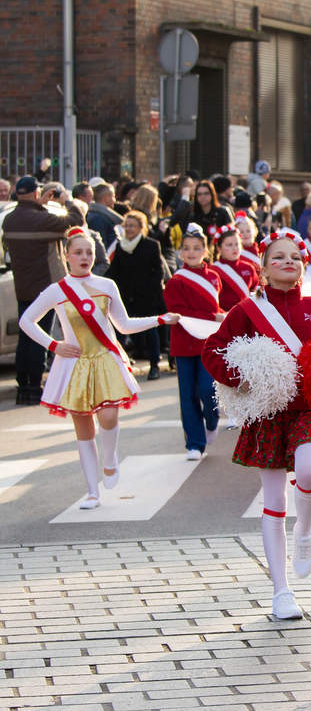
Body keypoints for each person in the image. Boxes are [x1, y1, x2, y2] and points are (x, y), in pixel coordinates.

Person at [202, 232, 311, 620]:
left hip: (305, 411)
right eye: (279, 257)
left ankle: (305, 530)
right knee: (273, 500)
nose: (289, 261)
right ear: (263, 269)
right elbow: (212, 351)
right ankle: (281, 590)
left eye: (296, 256)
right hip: (266, 413)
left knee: (308, 470)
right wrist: (240, 377)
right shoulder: (246, 312)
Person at [18, 228, 179, 507]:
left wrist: (161, 319)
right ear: (67, 256)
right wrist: (54, 345)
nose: (84, 257)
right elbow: (27, 321)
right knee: (83, 428)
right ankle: (92, 492)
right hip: (74, 365)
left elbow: (124, 325)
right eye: (78, 252)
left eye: (89, 252)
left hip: (105, 359)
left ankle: (110, 457)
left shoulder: (107, 285)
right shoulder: (57, 290)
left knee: (108, 417)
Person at [3, 176, 87, 405]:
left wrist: (38, 203)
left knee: (25, 335)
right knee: (41, 337)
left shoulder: (9, 221)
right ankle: (34, 385)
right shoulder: (43, 220)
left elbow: (31, 221)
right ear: (34, 192)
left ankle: (23, 387)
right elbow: (76, 219)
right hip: (45, 286)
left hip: (22, 286)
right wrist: (65, 198)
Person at [164, 225, 224, 460]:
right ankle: (195, 444)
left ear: (206, 251)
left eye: (197, 248)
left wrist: (219, 315)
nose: (191, 252)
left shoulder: (214, 276)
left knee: (208, 389)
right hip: (183, 342)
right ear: (180, 252)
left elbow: (212, 308)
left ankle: (212, 420)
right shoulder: (176, 281)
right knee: (187, 394)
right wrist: (213, 316)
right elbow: (177, 310)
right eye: (187, 248)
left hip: (208, 342)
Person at [105, 210, 169, 380]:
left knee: (150, 331)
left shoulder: (151, 245)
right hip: (125, 296)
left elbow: (158, 272)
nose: (129, 229)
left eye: (133, 226)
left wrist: (152, 291)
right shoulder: (121, 246)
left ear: (141, 228)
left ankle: (154, 364)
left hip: (146, 296)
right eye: (127, 226)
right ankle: (119, 365)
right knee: (120, 330)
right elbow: (114, 271)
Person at [210, 224, 259, 311]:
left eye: (237, 244)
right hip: (225, 318)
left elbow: (256, 292)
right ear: (219, 248)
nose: (235, 248)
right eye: (229, 245)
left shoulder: (249, 268)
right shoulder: (213, 270)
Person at [86, 182, 123, 257]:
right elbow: (102, 249)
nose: (115, 200)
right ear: (106, 197)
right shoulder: (97, 219)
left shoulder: (101, 216)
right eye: (113, 196)